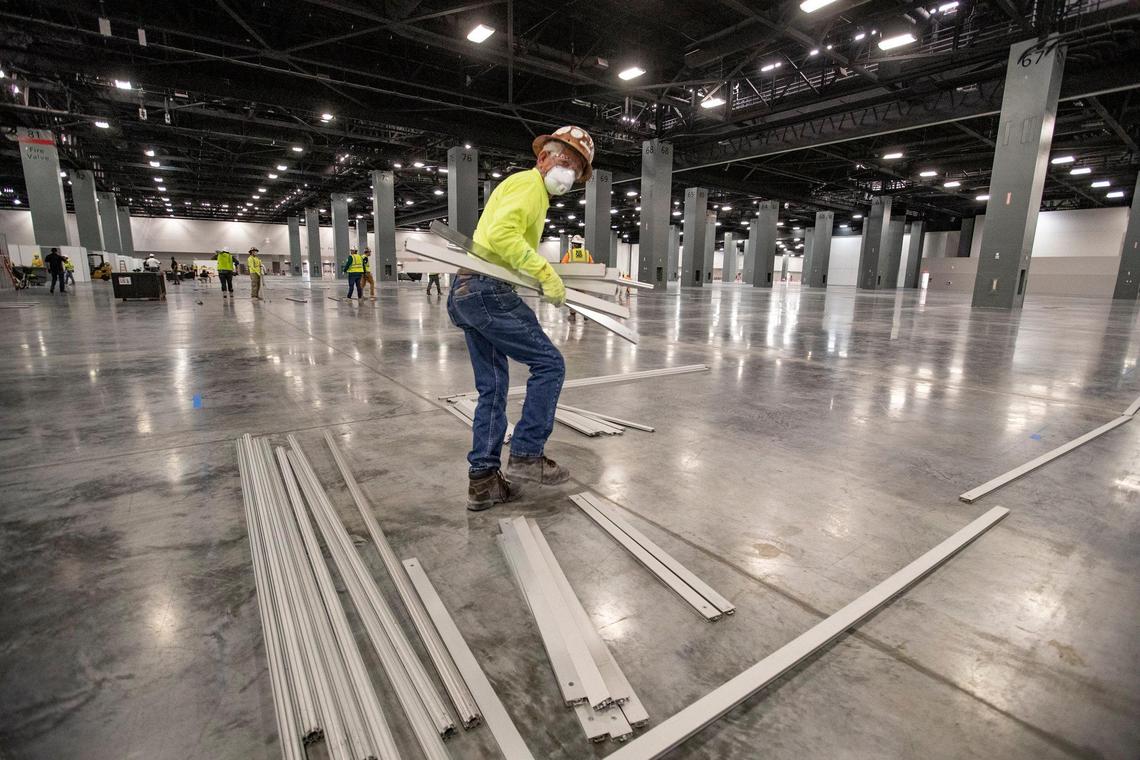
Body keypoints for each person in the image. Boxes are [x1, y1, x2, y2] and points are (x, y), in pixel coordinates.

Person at [449, 124, 594, 511]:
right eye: (565, 159)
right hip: (487, 290)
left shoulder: (530, 191)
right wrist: (545, 273)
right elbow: (502, 236)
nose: (569, 171)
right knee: (550, 364)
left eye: (577, 168)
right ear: (543, 157)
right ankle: (528, 456)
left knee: (493, 389)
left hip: (466, 290)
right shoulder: (529, 186)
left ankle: (483, 481)